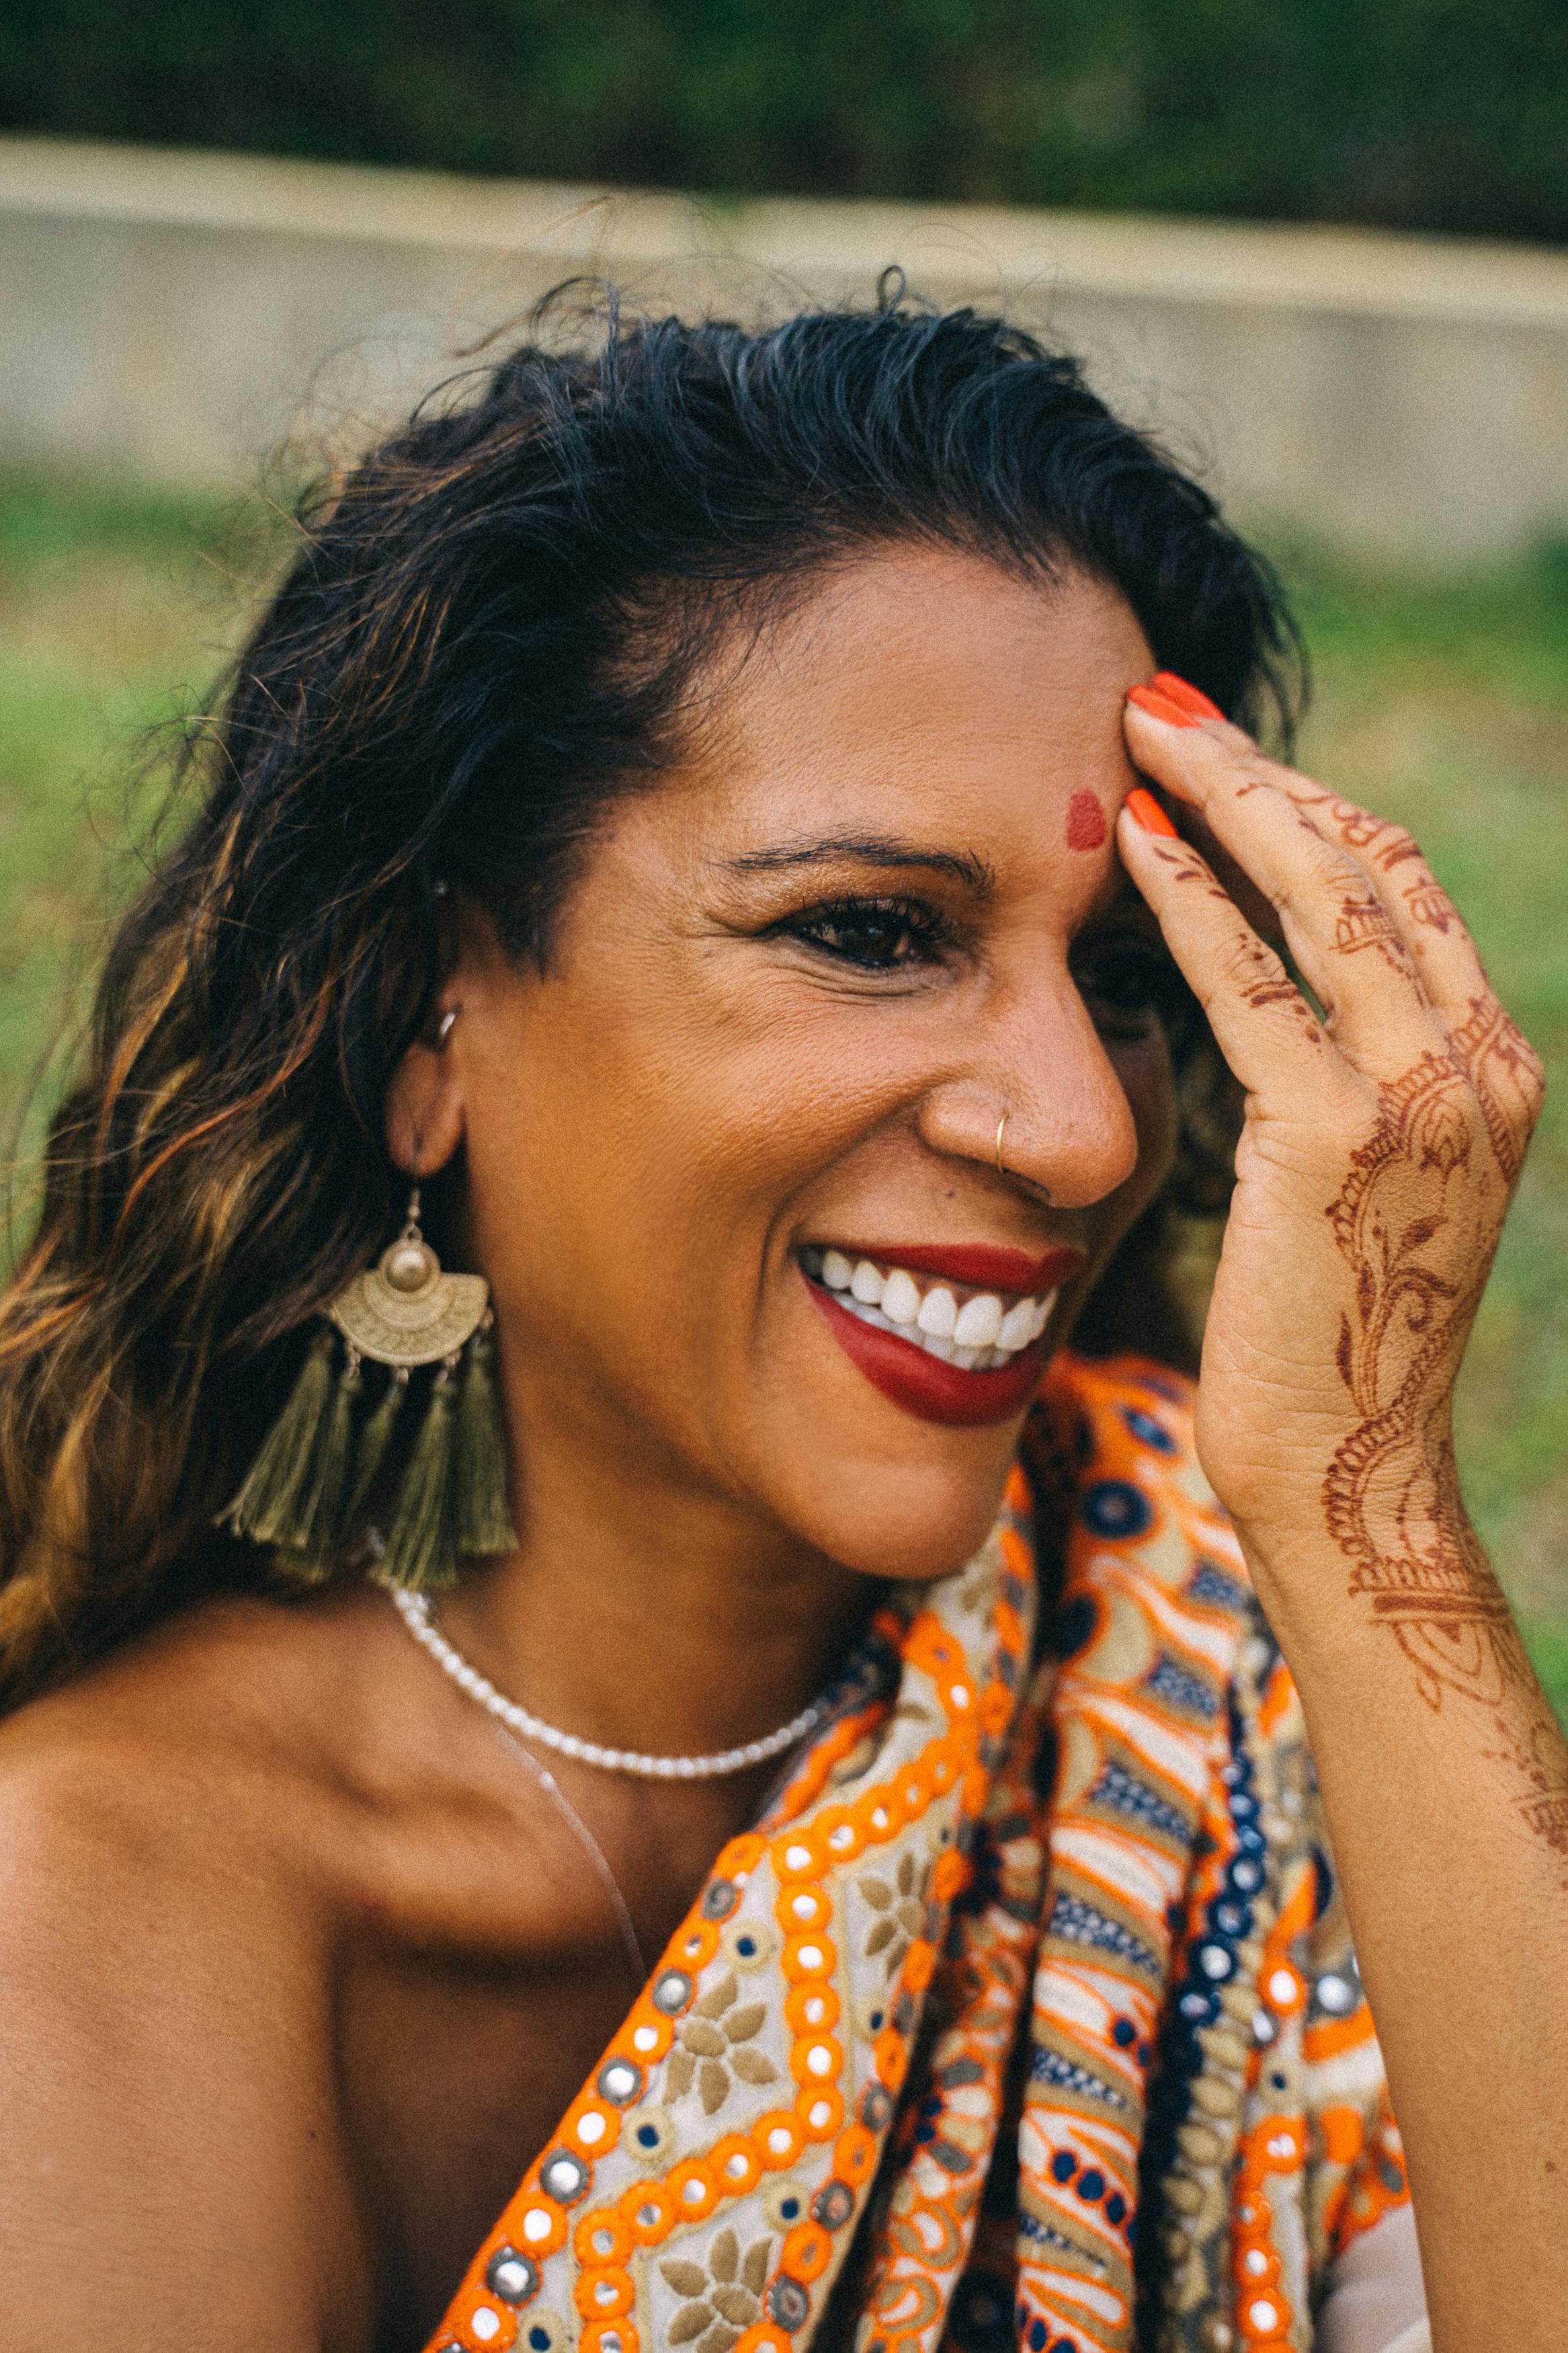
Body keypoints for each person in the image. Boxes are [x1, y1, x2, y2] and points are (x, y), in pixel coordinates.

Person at [0, 296, 1559, 2353]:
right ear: (421, 1021)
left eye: (1122, 980)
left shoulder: (1209, 1680)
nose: (1087, 1133)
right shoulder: (89, 1935)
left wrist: (1365, 1520)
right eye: (868, 931)